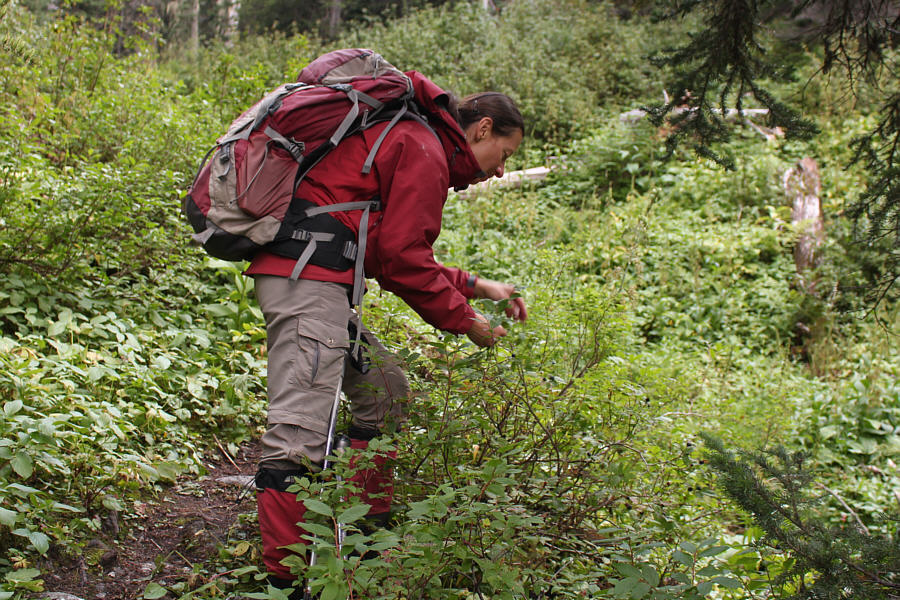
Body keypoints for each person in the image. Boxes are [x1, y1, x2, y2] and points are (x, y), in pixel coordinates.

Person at [245, 71, 527, 590]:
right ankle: (283, 582)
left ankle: (365, 529)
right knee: (299, 435)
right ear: (483, 129)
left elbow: (381, 249)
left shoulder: (411, 140)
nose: (499, 170)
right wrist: (465, 321)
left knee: (385, 390)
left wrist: (477, 285)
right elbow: (401, 259)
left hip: (316, 279)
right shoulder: (423, 145)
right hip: (307, 282)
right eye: (504, 154)